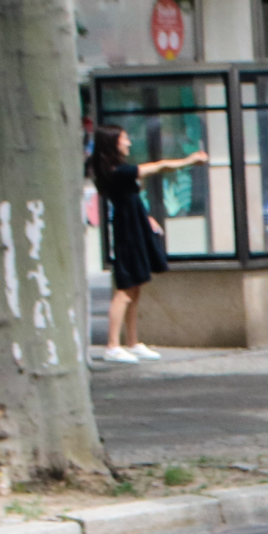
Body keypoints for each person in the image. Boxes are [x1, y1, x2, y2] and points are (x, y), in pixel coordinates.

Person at [89, 124, 206, 363]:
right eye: (124, 138)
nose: (128, 142)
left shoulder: (115, 170)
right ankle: (112, 345)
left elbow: (131, 201)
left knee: (136, 287)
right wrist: (188, 161)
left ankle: (132, 341)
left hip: (135, 226)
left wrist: (147, 219)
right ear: (112, 142)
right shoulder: (116, 171)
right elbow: (157, 167)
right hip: (127, 232)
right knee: (124, 289)